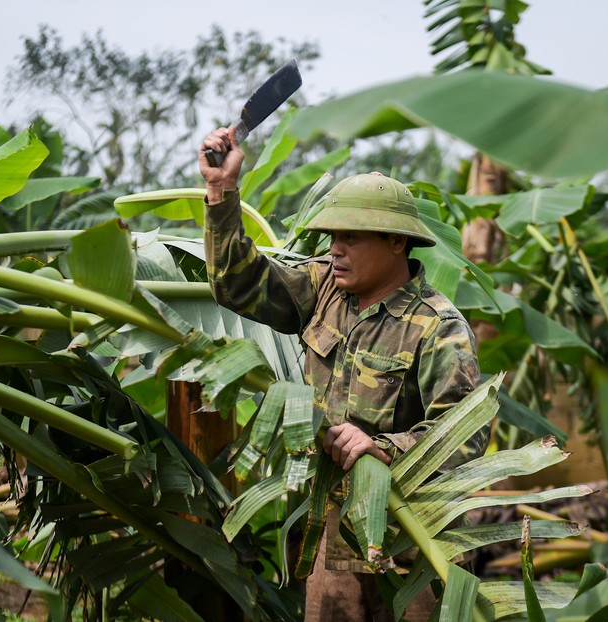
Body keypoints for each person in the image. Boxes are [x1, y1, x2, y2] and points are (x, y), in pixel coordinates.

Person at [199, 127, 488, 621]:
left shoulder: (440, 329)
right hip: (333, 536)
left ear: (396, 241)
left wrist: (383, 448)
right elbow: (237, 284)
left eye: (350, 237)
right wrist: (220, 191)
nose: (335, 249)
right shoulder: (321, 290)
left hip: (410, 546)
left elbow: (465, 440)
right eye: (332, 237)